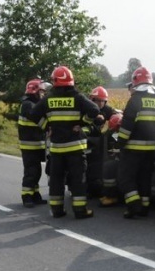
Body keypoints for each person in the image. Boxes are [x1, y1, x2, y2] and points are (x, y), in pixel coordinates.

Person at [29, 66, 103, 219]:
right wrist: (82, 123)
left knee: (56, 180)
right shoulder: (77, 97)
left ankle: (57, 210)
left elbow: (33, 114)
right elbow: (95, 109)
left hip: (56, 149)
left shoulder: (48, 98)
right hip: (76, 148)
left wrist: (46, 127)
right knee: (78, 180)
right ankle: (80, 211)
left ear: (55, 81)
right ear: (70, 80)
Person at [116, 66, 155, 219]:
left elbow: (127, 126)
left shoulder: (135, 99)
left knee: (125, 178)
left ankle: (134, 206)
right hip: (150, 148)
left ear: (135, 82)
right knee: (145, 178)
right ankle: (144, 207)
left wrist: (120, 144)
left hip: (132, 149)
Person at [85, 86, 121, 199]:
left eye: (102, 101)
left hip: (104, 143)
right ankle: (88, 189)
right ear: (92, 100)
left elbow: (117, 117)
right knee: (89, 167)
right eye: (97, 100)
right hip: (88, 142)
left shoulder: (108, 110)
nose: (100, 103)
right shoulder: (86, 109)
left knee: (102, 166)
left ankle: (102, 189)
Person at [18, 79, 48, 208]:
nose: (43, 94)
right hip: (29, 145)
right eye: (41, 91)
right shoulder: (28, 104)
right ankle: (26, 196)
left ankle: (35, 194)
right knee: (31, 171)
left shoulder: (34, 103)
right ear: (35, 90)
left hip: (36, 144)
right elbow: (35, 118)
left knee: (36, 171)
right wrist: (49, 127)